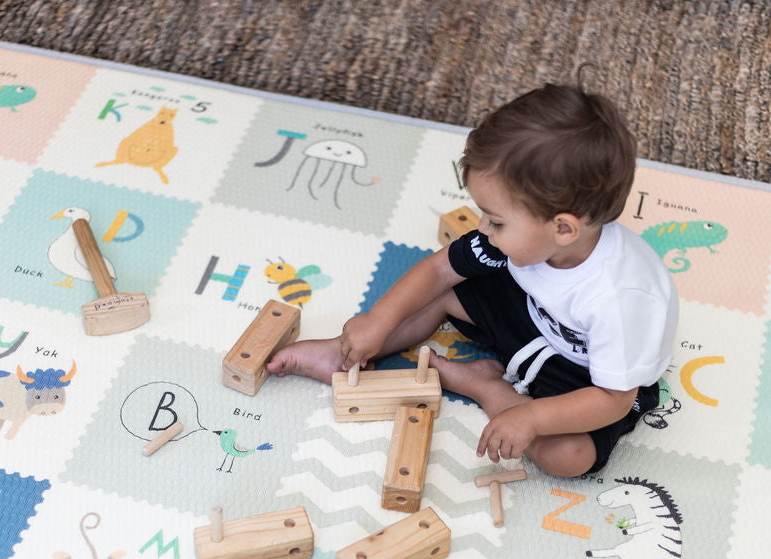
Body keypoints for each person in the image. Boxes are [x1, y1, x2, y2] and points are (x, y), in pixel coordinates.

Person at [266, 73, 678, 478]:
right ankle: (341, 353)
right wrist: (378, 321)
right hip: (539, 316)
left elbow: (612, 400)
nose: (482, 227)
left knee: (568, 457)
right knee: (441, 291)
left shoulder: (621, 301)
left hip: (591, 377)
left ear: (564, 229)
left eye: (496, 220)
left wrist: (530, 417)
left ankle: (484, 386)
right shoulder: (524, 242)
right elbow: (440, 268)